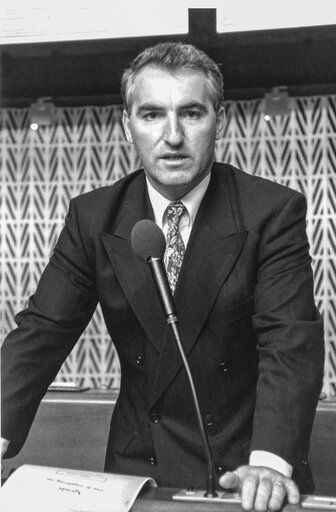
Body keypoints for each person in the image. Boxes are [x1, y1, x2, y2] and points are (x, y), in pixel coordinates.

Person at [1, 42, 324, 511]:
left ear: (219, 120)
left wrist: (269, 463)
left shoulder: (271, 211)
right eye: (151, 114)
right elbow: (41, 332)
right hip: (138, 473)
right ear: (128, 123)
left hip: (244, 473)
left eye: (191, 113)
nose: (172, 135)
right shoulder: (93, 217)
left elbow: (289, 343)